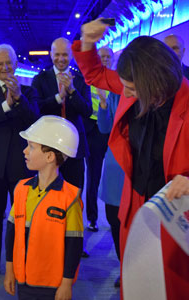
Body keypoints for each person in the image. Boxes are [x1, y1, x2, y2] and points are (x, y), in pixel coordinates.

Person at [72, 18, 189, 300]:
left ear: (154, 83)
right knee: (133, 278)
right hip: (135, 202)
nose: (127, 94)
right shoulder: (133, 85)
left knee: (168, 287)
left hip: (174, 209)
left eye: (132, 90)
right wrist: (87, 42)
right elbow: (95, 74)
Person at [0, 44, 40, 281]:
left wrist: (19, 99)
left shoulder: (29, 92)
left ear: (16, 64)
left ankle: (21, 263)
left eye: (8, 63)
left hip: (21, 164)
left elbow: (34, 120)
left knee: (22, 218)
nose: (4, 67)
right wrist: (6, 105)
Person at [4, 115, 83, 300]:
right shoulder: (21, 190)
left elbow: (74, 245)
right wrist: (9, 269)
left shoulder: (70, 198)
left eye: (31, 147)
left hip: (53, 285)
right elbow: (11, 232)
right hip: (23, 280)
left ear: (49, 156)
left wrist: (66, 283)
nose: (24, 151)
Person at [31, 37, 92, 190]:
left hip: (75, 145)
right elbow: (36, 108)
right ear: (51, 55)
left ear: (71, 55)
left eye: (64, 55)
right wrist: (59, 97)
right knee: (48, 191)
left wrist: (72, 91)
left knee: (74, 190)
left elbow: (87, 110)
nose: (61, 59)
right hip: (48, 145)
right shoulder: (40, 80)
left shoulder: (80, 80)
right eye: (57, 54)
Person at [84, 46, 112, 232]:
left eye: (107, 57)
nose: (104, 60)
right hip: (93, 131)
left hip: (111, 132)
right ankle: (92, 218)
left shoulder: (118, 80)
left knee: (112, 176)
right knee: (93, 177)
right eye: (101, 57)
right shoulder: (88, 80)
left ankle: (114, 217)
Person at [97, 91, 124, 288]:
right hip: (116, 166)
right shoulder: (114, 94)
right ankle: (125, 267)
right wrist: (104, 104)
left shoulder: (150, 91)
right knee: (114, 220)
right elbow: (104, 127)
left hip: (143, 166)